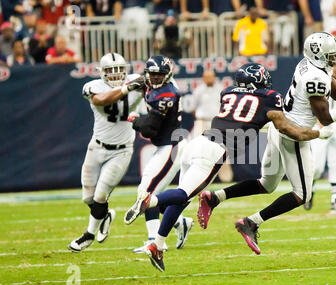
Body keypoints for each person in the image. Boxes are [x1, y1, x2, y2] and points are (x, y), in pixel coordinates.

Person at [135, 63, 334, 271]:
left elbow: (242, 112)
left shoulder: (227, 92)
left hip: (196, 143)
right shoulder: (269, 97)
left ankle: (159, 241)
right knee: (183, 195)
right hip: (214, 151)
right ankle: (152, 200)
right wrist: (318, 133)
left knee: (185, 197)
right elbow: (283, 125)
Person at [198, 32, 336, 255]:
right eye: (329, 56)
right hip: (294, 134)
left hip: (279, 126)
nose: (333, 60)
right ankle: (251, 222)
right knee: (302, 194)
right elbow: (325, 117)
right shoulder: (314, 76)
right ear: (318, 56)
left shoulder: (308, 65)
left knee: (267, 184)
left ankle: (214, 197)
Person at [68, 52, 146, 252]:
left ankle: (89, 235)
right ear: (101, 72)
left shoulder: (137, 81)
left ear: (125, 70)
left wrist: (150, 82)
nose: (114, 74)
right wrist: (127, 88)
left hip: (121, 151)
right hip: (96, 146)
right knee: (88, 198)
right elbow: (100, 100)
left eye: (119, 70)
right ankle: (105, 216)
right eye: (110, 71)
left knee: (100, 196)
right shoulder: (94, 86)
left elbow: (160, 85)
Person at [124, 55, 193, 252]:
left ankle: (154, 241)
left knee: (146, 193)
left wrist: (135, 120)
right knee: (151, 194)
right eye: (152, 74)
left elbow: (149, 130)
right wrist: (129, 84)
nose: (154, 78)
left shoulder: (167, 95)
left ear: (168, 75)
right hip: (166, 145)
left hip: (172, 147)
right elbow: (140, 81)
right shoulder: (154, 84)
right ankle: (180, 223)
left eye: (159, 75)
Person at [305, 52, 336, 212]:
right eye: (334, 63)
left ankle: (335, 199)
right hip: (321, 125)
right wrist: (319, 120)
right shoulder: (319, 79)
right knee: (316, 165)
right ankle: (310, 190)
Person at [188, 69, 233, 182]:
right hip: (202, 122)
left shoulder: (220, 89)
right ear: (203, 78)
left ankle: (226, 179)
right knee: (198, 151)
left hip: (217, 122)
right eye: (207, 77)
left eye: (211, 76)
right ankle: (197, 180)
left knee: (222, 150)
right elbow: (192, 108)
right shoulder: (198, 91)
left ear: (214, 77)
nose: (209, 79)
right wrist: (201, 118)